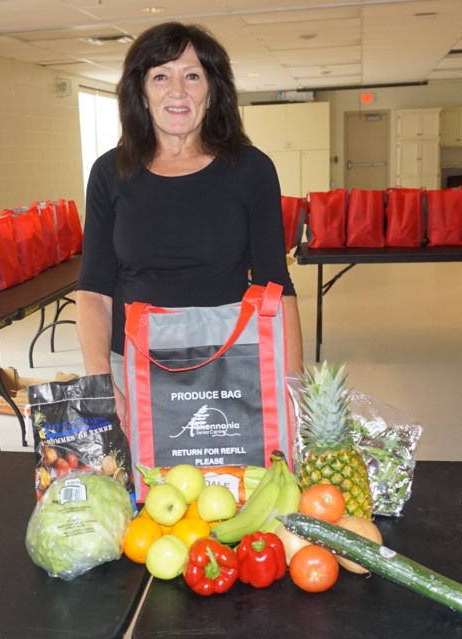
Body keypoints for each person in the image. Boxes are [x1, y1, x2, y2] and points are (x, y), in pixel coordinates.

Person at [76, 21, 303, 421]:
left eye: (192, 76)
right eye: (161, 76)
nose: (177, 91)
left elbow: (276, 286)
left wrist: (292, 388)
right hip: (133, 368)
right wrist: (101, 382)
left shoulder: (251, 169)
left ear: (213, 92)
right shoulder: (109, 172)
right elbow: (93, 290)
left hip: (229, 363)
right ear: (142, 94)